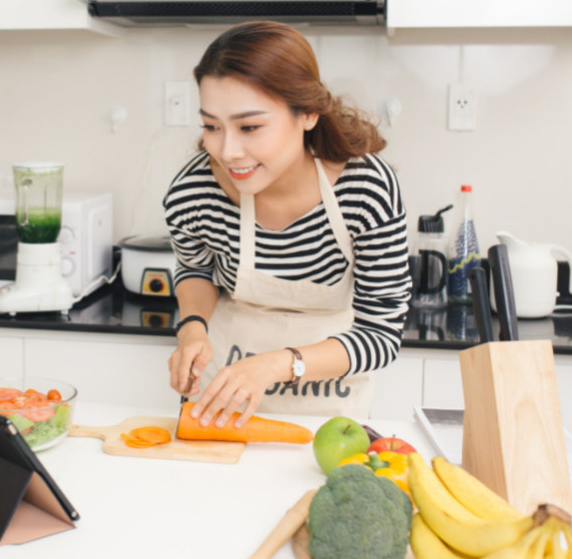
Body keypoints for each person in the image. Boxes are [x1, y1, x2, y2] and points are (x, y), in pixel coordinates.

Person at [164, 21, 411, 428]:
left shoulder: (366, 189)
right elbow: (196, 267)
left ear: (308, 113)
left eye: (250, 127)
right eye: (211, 126)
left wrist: (278, 365)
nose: (228, 151)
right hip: (219, 395)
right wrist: (192, 328)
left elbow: (381, 335)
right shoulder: (194, 191)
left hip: (331, 406)